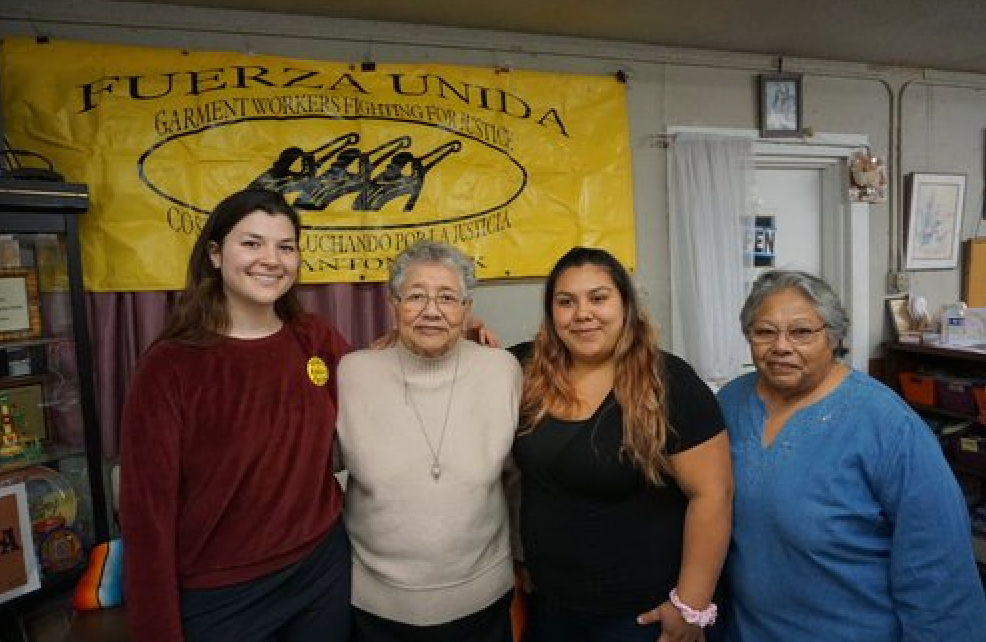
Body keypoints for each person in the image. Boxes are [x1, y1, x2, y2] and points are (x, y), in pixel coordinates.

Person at [119, 188, 352, 642]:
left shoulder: (314, 338)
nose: (271, 259)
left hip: (321, 569)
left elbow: (380, 383)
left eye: (285, 247)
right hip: (221, 594)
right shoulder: (169, 366)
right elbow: (146, 517)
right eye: (251, 243)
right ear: (214, 254)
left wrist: (453, 336)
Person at [716, 269, 986, 641]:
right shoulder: (729, 404)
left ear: (833, 336)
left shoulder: (889, 427)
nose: (781, 346)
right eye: (764, 332)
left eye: (801, 332)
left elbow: (939, 571)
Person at [513, 246, 732, 642]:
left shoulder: (670, 381)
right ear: (551, 314)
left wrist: (692, 606)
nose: (583, 314)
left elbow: (713, 495)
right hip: (550, 607)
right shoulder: (526, 370)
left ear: (627, 306)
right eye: (566, 302)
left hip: (639, 617)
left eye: (598, 298)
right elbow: (456, 356)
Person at [336, 239, 522, 642]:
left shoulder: (503, 370)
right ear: (392, 305)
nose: (432, 311)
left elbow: (518, 480)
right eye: (416, 296)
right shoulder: (352, 374)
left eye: (448, 298)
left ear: (467, 309)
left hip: (482, 604)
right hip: (373, 609)